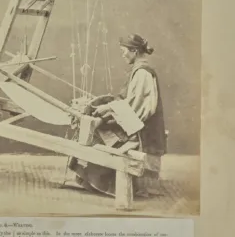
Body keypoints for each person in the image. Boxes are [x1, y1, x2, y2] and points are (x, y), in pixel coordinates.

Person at [69, 33, 167, 198]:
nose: (123, 55)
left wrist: (107, 109)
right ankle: (90, 181)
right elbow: (129, 102)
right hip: (135, 122)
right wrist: (107, 108)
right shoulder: (139, 70)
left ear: (134, 51)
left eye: (124, 51)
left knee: (96, 134)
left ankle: (104, 184)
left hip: (141, 131)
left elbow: (136, 109)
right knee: (97, 124)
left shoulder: (143, 73)